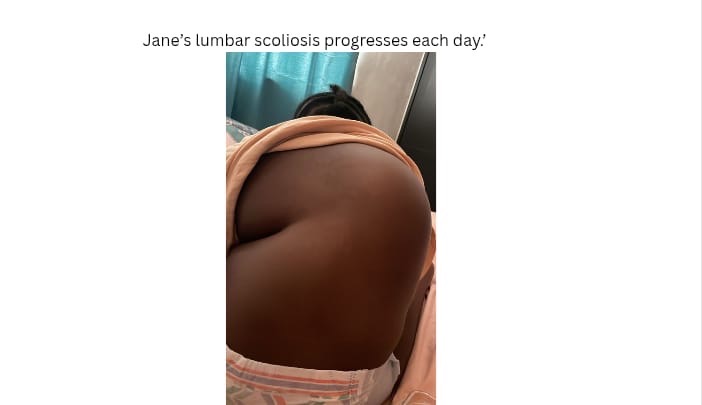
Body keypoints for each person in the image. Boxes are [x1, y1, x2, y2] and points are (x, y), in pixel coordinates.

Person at [226, 86, 434, 404]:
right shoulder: (393, 181)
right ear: (364, 131)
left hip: (235, 359)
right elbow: (408, 327)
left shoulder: (273, 161)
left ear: (296, 128)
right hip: (352, 391)